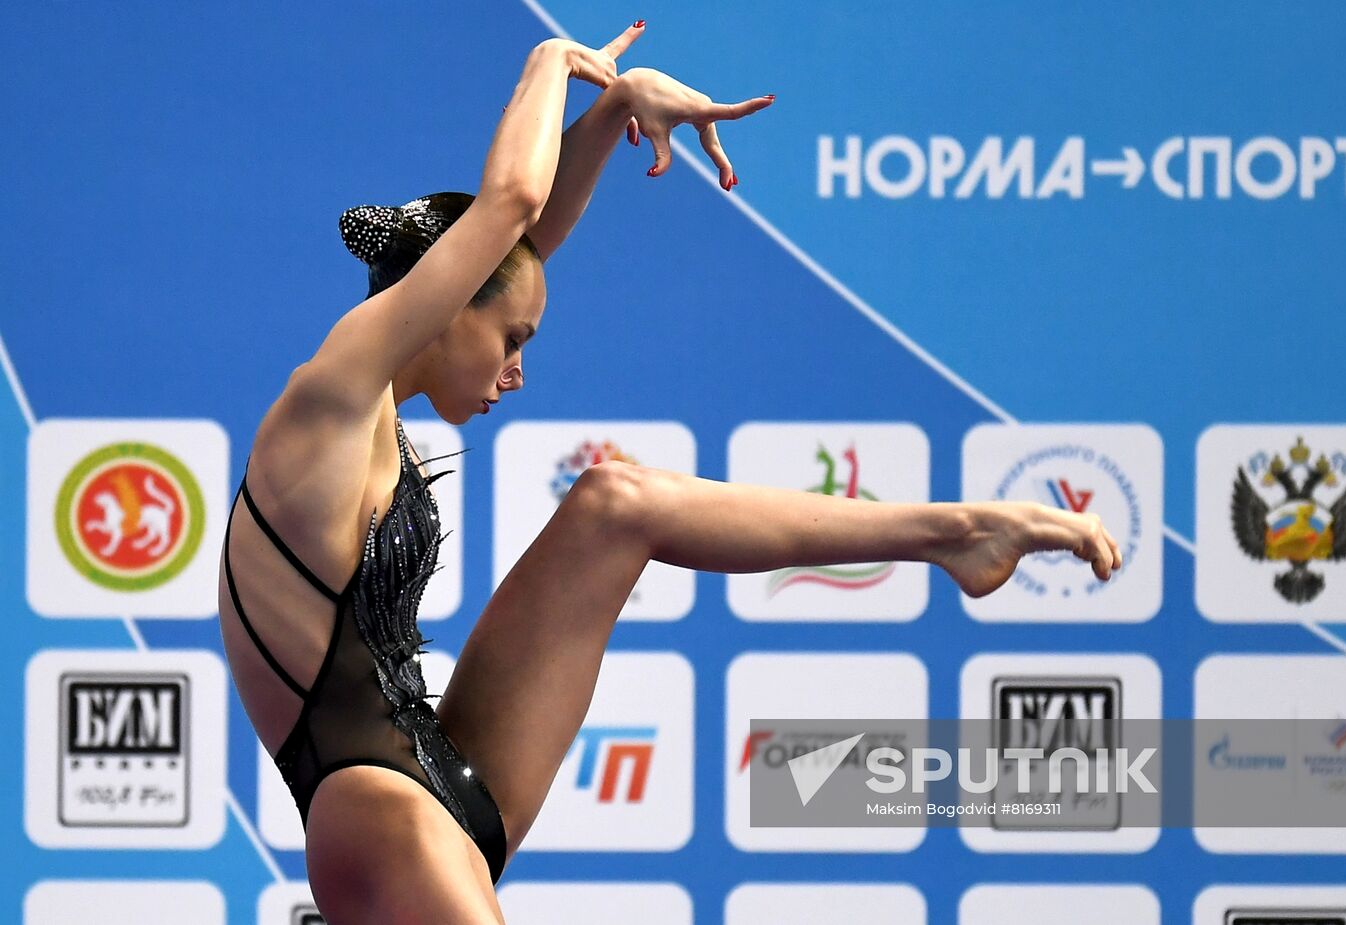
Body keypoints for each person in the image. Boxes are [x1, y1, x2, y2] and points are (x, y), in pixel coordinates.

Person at [216, 23, 1123, 925]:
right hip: (376, 808)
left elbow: (520, 248)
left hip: (446, 764)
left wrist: (613, 111)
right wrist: (554, 62)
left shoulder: (375, 413)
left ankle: (956, 533)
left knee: (617, 503)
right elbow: (511, 204)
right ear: (451, 308)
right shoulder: (327, 399)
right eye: (511, 341)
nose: (517, 371)